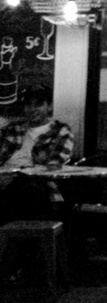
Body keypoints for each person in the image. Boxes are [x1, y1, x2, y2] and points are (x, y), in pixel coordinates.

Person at [0, 86, 73, 218]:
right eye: (28, 105)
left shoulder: (60, 131)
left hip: (36, 185)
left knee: (28, 188)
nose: (32, 109)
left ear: (49, 107)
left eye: (38, 104)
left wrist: (17, 174)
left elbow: (53, 166)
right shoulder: (14, 128)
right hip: (4, 180)